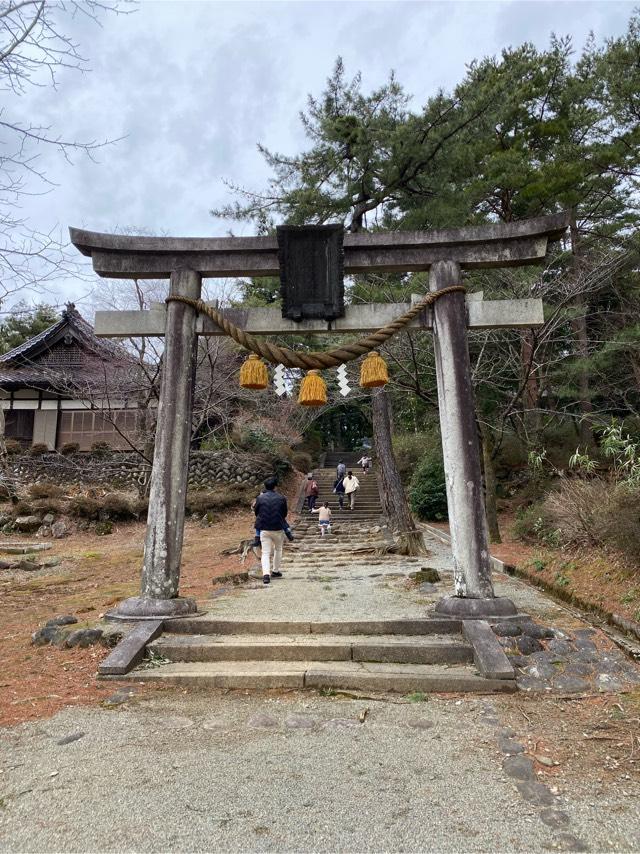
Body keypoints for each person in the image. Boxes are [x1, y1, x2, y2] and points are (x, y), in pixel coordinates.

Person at [254, 476, 289, 585]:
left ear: (265, 486)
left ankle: (266, 575)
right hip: (278, 528)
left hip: (264, 528)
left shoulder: (260, 498)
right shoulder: (282, 498)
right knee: (278, 549)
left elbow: (257, 512)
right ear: (275, 486)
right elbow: (284, 513)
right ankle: (275, 570)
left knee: (265, 552)